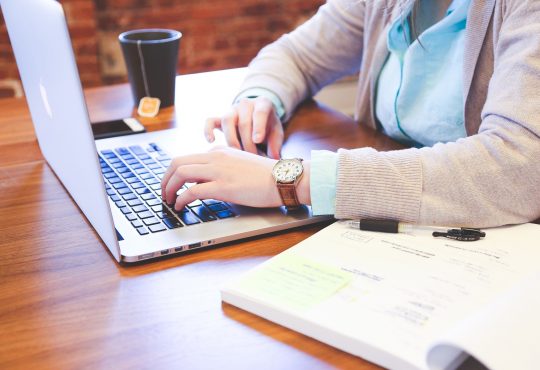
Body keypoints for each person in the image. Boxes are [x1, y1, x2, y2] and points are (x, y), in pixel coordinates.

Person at [161, 0, 540, 228]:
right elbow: (297, 55)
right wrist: (260, 99)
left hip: (492, 244)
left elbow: (519, 168)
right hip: (395, 227)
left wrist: (290, 180)